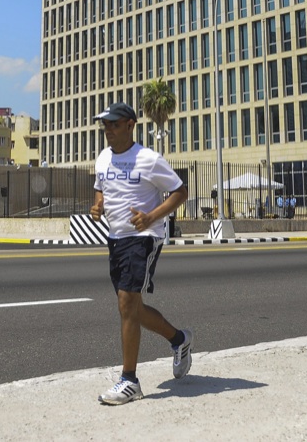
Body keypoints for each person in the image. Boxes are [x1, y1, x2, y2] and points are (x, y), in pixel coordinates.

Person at [89, 102, 191, 406]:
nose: (108, 129)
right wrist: (98, 205)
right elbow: (101, 188)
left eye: (114, 124)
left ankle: (130, 380)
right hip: (116, 237)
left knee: (127, 301)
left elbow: (180, 191)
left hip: (144, 236)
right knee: (130, 308)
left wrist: (150, 217)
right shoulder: (103, 158)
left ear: (131, 125)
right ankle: (179, 339)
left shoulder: (148, 159)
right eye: (105, 124)